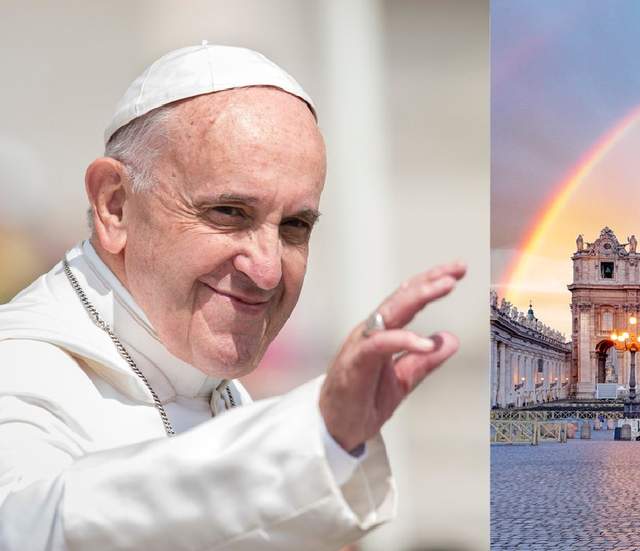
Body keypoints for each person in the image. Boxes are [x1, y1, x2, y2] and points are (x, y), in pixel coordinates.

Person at [0, 43, 465, 550]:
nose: (266, 271)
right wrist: (307, 441)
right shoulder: (19, 370)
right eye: (228, 212)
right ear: (114, 205)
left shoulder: (212, 387)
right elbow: (27, 528)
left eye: (294, 226)